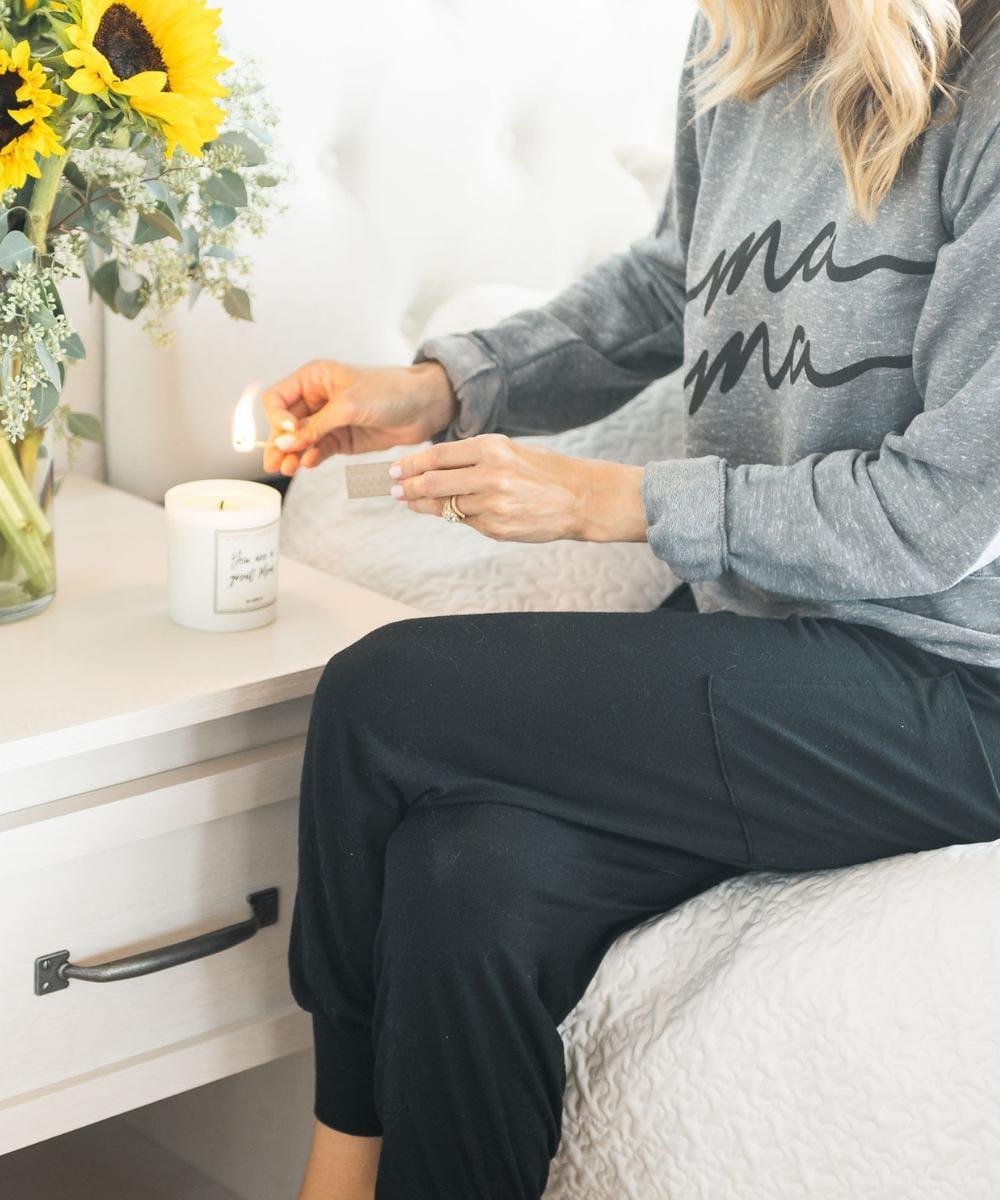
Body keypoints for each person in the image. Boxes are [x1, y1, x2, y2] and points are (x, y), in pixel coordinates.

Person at [262, 2, 1000, 1196]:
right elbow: (673, 286)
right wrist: (444, 388)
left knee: (381, 695)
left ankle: (335, 1170)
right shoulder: (742, 33)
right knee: (464, 877)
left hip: (955, 685)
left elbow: (942, 514)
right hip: (758, 634)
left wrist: (623, 502)